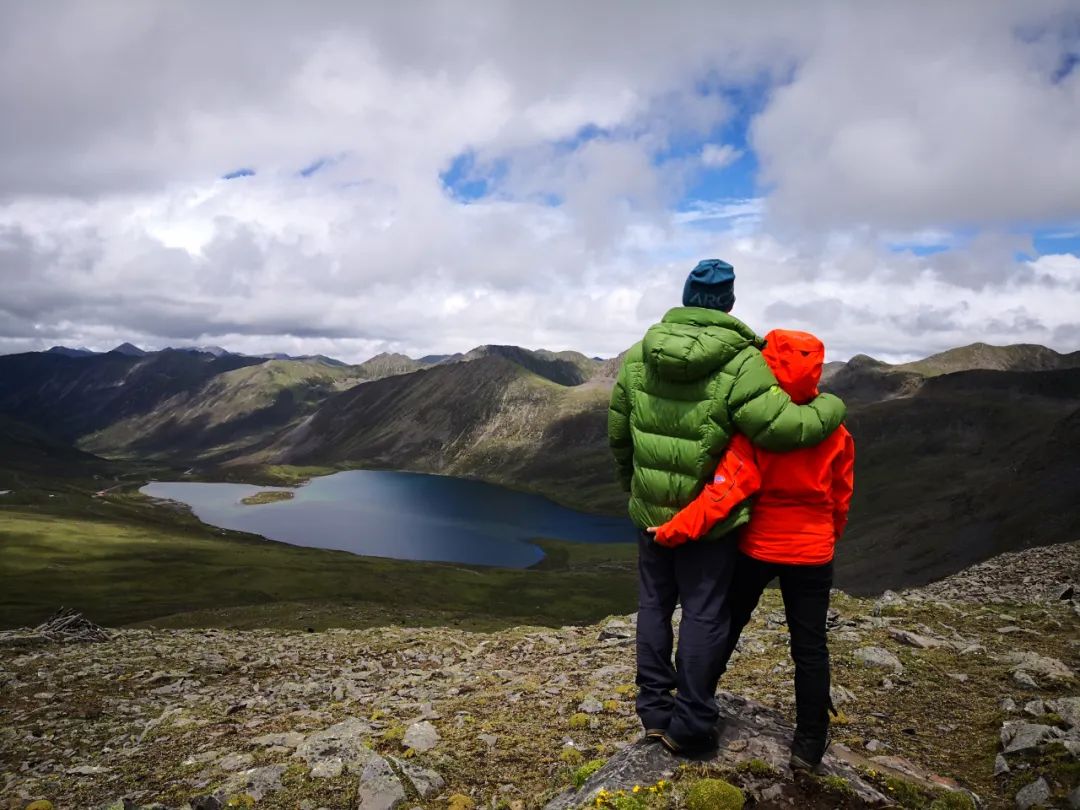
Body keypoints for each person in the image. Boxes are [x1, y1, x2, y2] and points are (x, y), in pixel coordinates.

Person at [608, 260, 848, 757]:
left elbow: (619, 435)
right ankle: (691, 723)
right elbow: (783, 429)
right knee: (704, 614)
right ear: (730, 303)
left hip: (651, 510)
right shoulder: (743, 363)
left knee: (654, 606)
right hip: (711, 519)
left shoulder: (637, 356)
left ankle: (654, 712)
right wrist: (833, 407)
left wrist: (637, 489)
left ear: (685, 295)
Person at [649, 328, 855, 772]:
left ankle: (695, 709)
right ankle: (809, 742)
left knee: (725, 625)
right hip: (814, 551)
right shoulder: (835, 430)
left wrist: (672, 531)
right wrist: (828, 535)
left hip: (759, 547)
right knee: (811, 648)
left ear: (768, 366)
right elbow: (841, 494)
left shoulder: (757, 430)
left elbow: (722, 494)